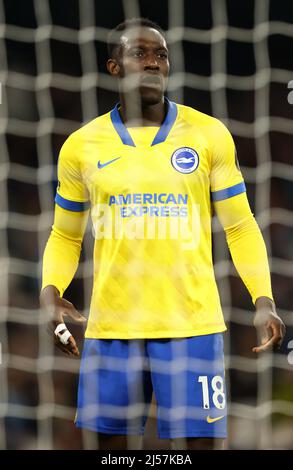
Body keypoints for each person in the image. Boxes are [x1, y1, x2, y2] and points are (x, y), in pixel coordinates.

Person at [40, 18, 285, 450]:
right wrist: (49, 293)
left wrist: (263, 298)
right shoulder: (81, 146)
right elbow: (65, 235)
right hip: (111, 329)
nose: (153, 63)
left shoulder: (209, 135)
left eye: (161, 55)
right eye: (139, 53)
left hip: (192, 327)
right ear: (114, 67)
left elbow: (241, 225)